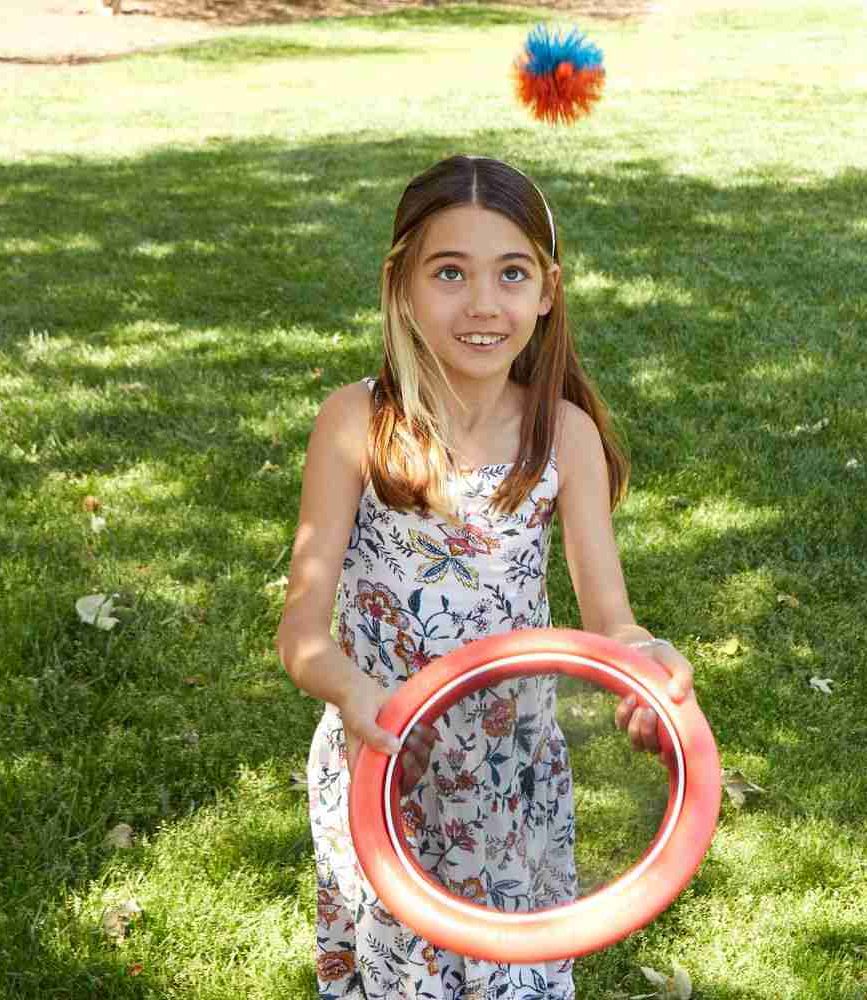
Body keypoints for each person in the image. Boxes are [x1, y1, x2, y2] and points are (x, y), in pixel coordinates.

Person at [275, 155, 695, 1000]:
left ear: (547, 290)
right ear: (401, 287)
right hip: (389, 765)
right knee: (402, 974)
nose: (482, 304)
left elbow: (612, 617)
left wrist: (650, 662)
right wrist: (353, 693)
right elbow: (301, 633)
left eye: (511, 274)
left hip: (511, 775)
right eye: (449, 272)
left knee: (512, 977)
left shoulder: (562, 435)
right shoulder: (357, 423)